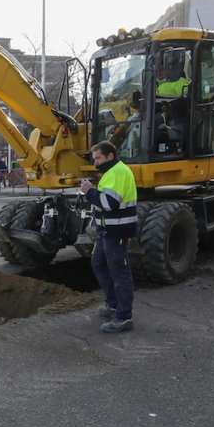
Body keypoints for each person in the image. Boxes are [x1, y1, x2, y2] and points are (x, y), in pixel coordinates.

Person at [78, 141, 137, 333]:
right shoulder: (110, 173)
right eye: (94, 159)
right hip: (107, 231)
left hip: (116, 232)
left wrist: (89, 191)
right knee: (99, 264)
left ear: (110, 156)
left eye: (98, 158)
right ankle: (113, 305)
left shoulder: (117, 172)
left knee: (119, 272)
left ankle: (123, 316)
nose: (95, 163)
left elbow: (109, 203)